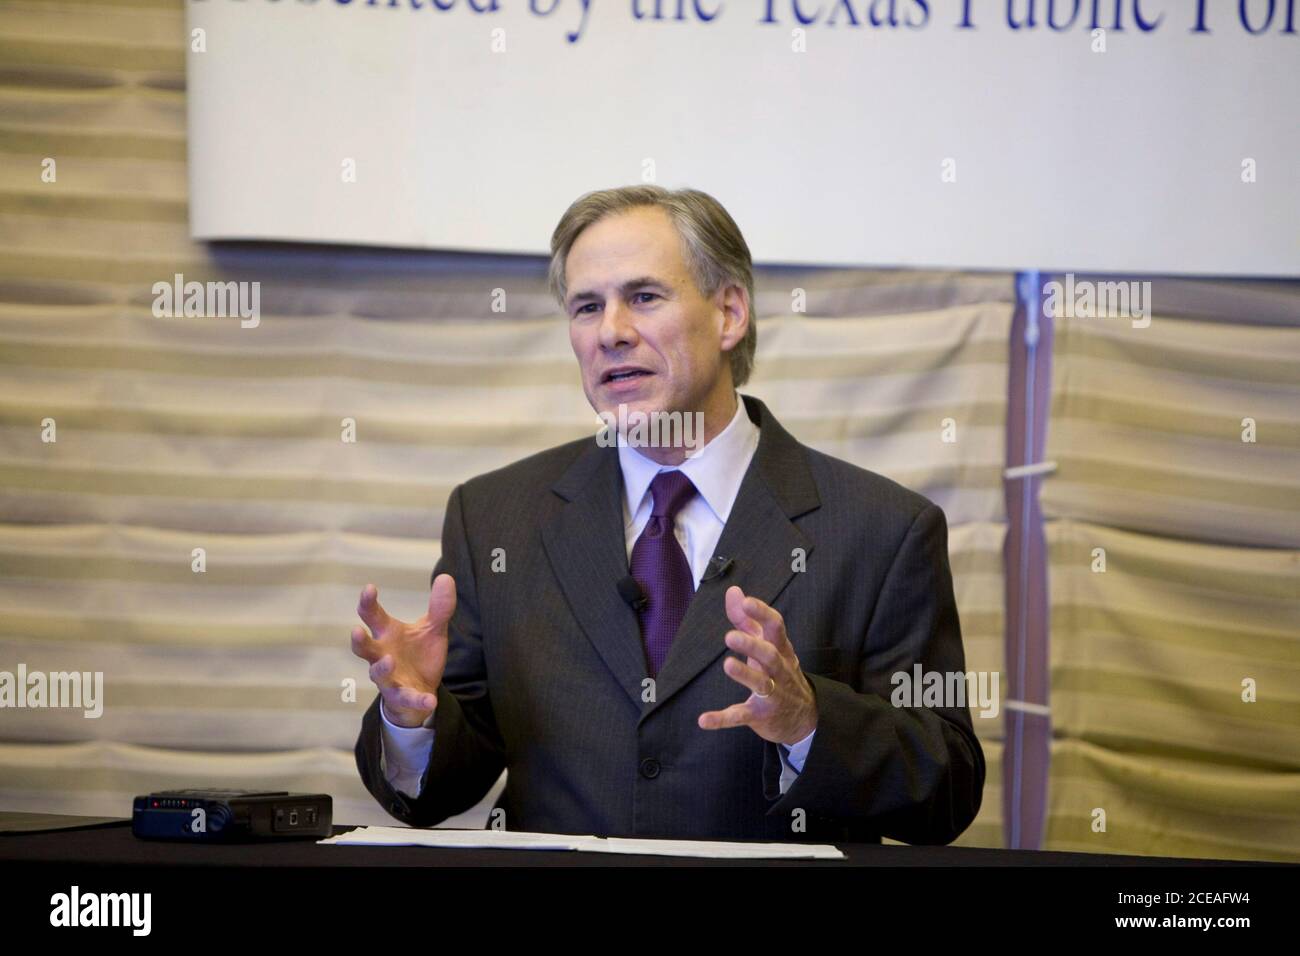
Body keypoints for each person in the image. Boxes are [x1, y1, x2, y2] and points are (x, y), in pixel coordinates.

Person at [351, 184, 985, 843]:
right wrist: (413, 718)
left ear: (730, 313)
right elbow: (442, 789)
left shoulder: (882, 529)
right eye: (586, 307)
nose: (611, 332)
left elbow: (947, 790)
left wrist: (809, 721)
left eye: (644, 297)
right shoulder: (494, 518)